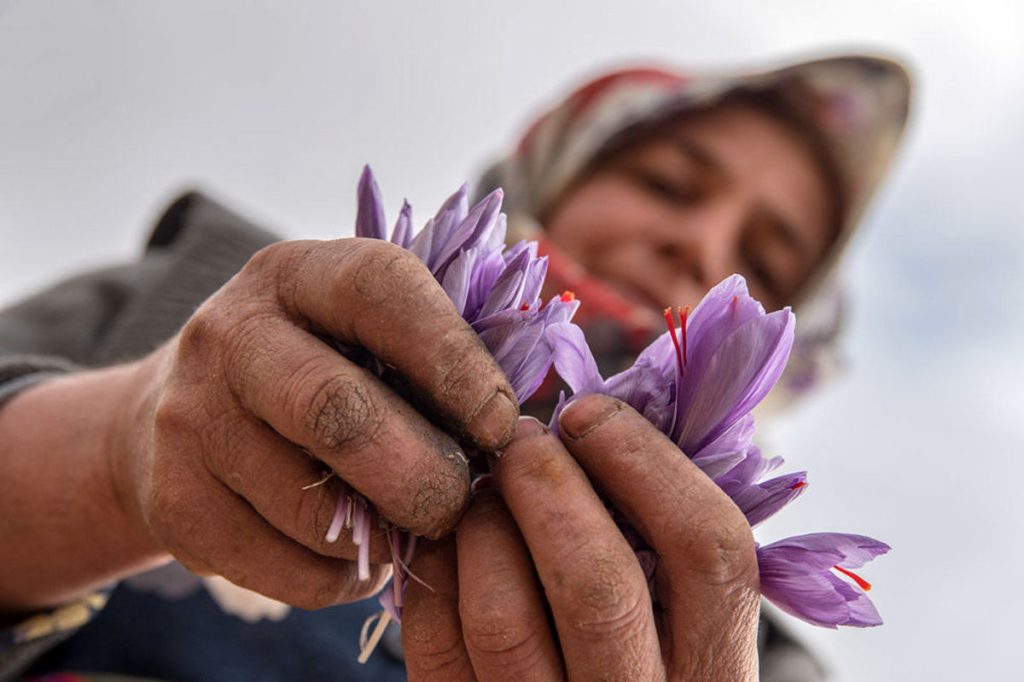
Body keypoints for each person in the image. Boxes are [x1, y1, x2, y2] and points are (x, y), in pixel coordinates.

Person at [0, 54, 910, 681]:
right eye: (667, 184)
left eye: (766, 261)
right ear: (553, 172)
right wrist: (113, 454)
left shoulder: (754, 649)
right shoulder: (201, 297)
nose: (696, 241)